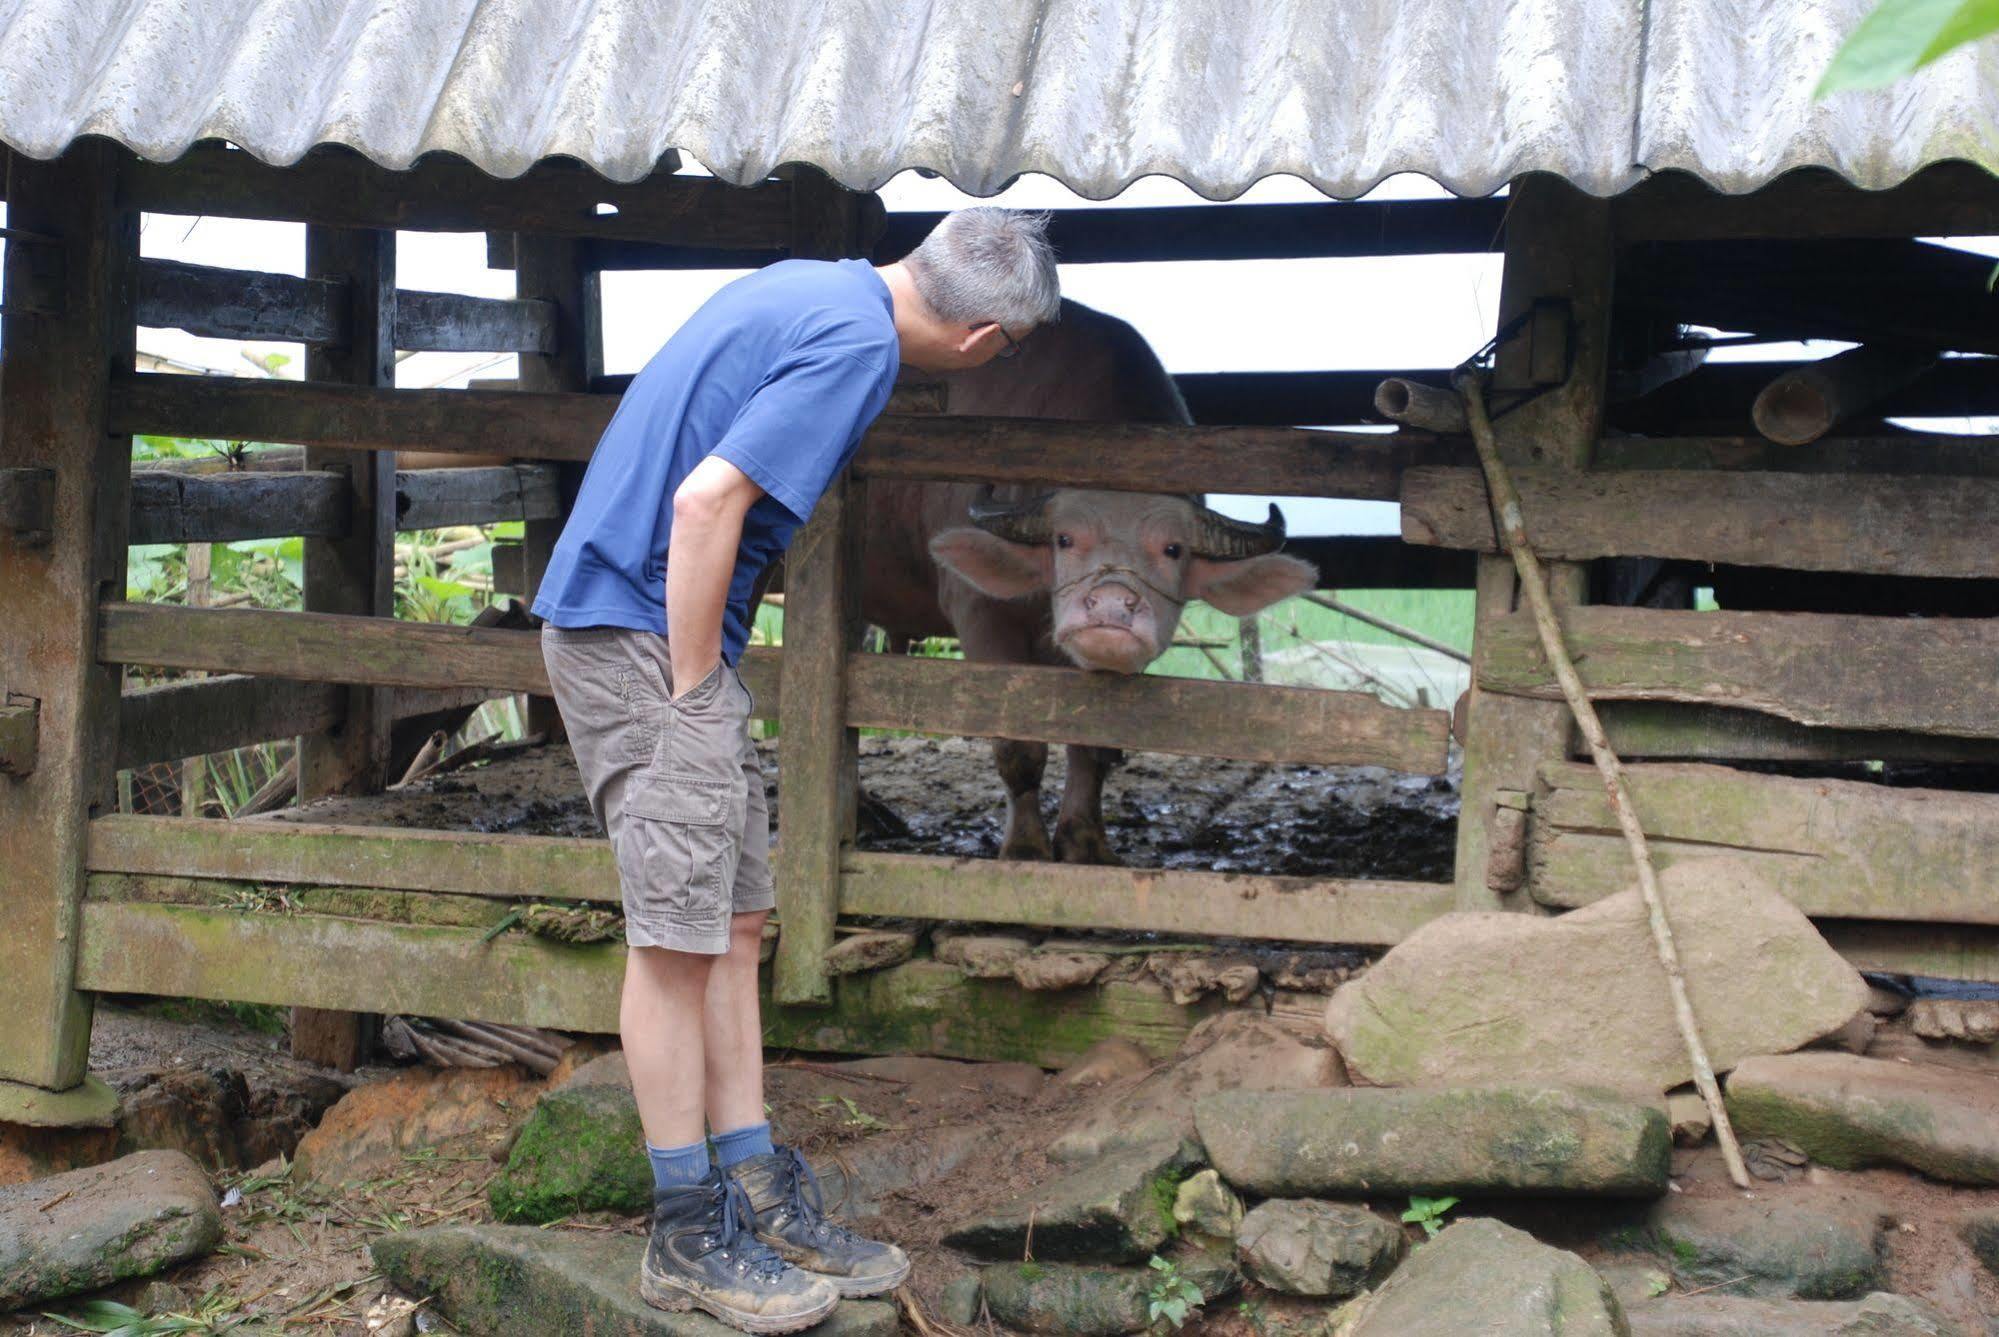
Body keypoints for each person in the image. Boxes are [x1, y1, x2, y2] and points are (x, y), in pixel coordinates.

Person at [531, 207, 1061, 1332]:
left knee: (731, 923)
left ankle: (756, 1187)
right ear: (982, 342)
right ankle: (684, 1233)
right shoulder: (860, 346)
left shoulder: (818, 286)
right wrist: (689, 686)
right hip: (641, 640)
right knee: (674, 941)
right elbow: (704, 500)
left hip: (645, 632)